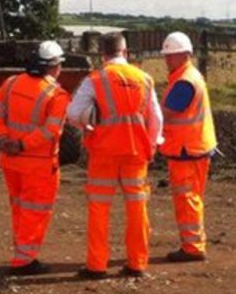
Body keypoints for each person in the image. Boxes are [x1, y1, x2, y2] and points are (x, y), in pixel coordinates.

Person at [66, 32, 163, 279]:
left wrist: (88, 123)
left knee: (99, 208)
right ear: (126, 52)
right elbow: (156, 118)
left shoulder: (95, 79)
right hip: (136, 153)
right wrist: (150, 146)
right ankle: (137, 263)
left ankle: (97, 265)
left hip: (103, 152)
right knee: (137, 207)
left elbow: (74, 113)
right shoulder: (144, 78)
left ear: (102, 54)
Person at [0, 41, 70, 275]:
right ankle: (25, 260)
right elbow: (51, 131)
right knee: (35, 211)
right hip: (38, 164)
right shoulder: (56, 94)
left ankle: (21, 254)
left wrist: (4, 139)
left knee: (20, 209)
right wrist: (22, 144)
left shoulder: (11, 83)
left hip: (11, 161)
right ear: (53, 67)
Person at [158, 32, 216, 262]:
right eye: (167, 56)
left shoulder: (184, 82)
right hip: (195, 146)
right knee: (192, 198)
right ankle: (194, 243)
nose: (167, 60)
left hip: (187, 149)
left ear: (184, 55)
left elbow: (168, 112)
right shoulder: (189, 76)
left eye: (171, 56)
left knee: (187, 199)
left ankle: (192, 247)